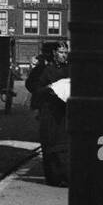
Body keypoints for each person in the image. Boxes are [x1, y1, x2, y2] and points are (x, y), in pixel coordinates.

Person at [27, 41, 70, 186]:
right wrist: (49, 89)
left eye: (65, 53)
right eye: (61, 52)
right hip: (49, 112)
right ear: (54, 53)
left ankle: (65, 176)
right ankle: (52, 177)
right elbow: (36, 89)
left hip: (64, 112)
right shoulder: (46, 70)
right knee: (49, 144)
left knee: (64, 145)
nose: (64, 55)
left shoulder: (70, 70)